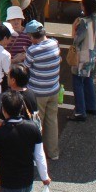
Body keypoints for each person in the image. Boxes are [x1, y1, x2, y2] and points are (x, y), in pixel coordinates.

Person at [23, 20, 62, 160]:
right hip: (54, 89)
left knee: (37, 123)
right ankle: (53, 153)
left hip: (38, 92)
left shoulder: (33, 50)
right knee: (52, 122)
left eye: (29, 36)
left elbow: (25, 67)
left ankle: (37, 154)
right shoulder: (54, 43)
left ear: (32, 36)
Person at [71, 0, 96, 122]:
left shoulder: (83, 22)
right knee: (88, 79)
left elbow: (76, 40)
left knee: (78, 82)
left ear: (85, 6)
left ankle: (80, 112)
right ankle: (91, 106)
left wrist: (73, 27)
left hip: (82, 56)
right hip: (93, 54)